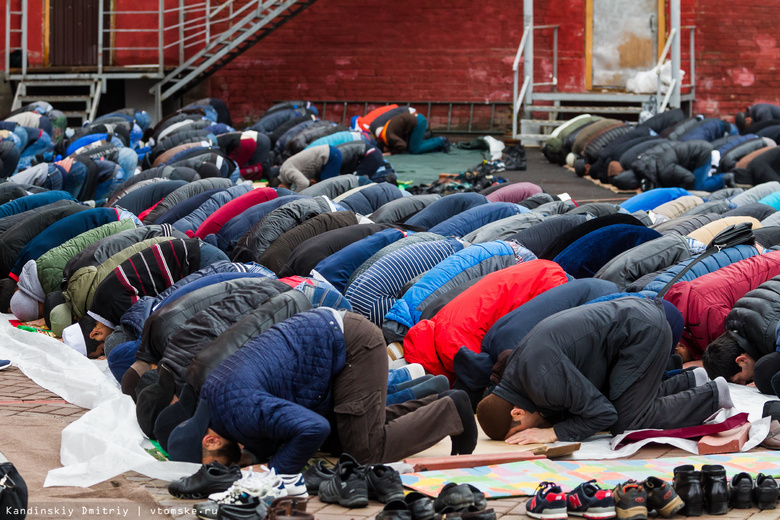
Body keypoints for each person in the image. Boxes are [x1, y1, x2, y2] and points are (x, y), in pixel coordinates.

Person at [165, 309, 476, 473]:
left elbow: (314, 427)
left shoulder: (238, 411)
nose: (223, 471)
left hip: (352, 345)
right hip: (328, 341)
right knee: (341, 440)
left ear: (210, 439)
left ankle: (452, 412)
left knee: (364, 452)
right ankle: (439, 401)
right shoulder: (219, 404)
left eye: (214, 468)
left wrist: (273, 473)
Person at [475, 297, 730, 444]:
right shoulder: (522, 375)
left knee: (626, 420)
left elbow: (603, 415)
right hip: (632, 325)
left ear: (517, 412)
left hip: (642, 332)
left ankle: (712, 395)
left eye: (520, 432)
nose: (527, 436)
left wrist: (553, 433)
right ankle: (691, 380)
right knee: (621, 402)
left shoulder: (541, 377)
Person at [270, 144, 342, 192]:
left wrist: (293, 199)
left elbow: (304, 183)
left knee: (326, 190)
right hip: (328, 154)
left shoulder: (286, 172)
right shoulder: (284, 170)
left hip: (330, 157)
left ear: (281, 186)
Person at [376, 111, 449, 155]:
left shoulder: (389, 136)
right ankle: (439, 141)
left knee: (415, 149)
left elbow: (402, 145)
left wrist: (391, 153)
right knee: (415, 145)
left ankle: (440, 141)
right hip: (417, 120)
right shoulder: (385, 132)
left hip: (418, 122)